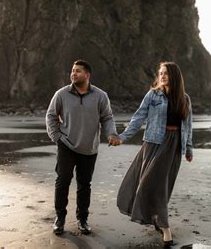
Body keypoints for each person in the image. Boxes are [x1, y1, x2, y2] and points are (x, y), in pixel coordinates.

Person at [110, 61, 193, 247]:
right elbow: (138, 117)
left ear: (174, 76)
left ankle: (163, 225)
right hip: (153, 143)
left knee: (160, 186)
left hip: (173, 146)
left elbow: (188, 125)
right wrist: (123, 137)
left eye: (166, 73)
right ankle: (162, 224)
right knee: (146, 184)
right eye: (160, 73)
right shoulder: (153, 95)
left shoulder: (184, 99)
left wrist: (188, 148)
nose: (162, 76)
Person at [46, 59, 118, 235]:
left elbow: (107, 117)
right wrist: (57, 138)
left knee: (84, 184)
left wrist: (112, 134)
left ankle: (82, 219)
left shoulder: (100, 96)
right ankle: (60, 217)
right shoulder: (61, 94)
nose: (73, 73)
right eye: (72, 70)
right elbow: (51, 116)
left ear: (87, 75)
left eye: (78, 71)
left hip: (89, 147)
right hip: (66, 145)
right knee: (62, 181)